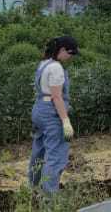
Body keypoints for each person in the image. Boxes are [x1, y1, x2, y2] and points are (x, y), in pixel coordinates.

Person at [29, 35, 80, 193]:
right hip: (51, 113)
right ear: (62, 50)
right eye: (70, 53)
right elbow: (57, 97)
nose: (71, 57)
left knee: (39, 151)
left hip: (39, 109)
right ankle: (49, 200)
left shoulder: (44, 63)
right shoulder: (56, 68)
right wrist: (65, 121)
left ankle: (34, 189)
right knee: (55, 156)